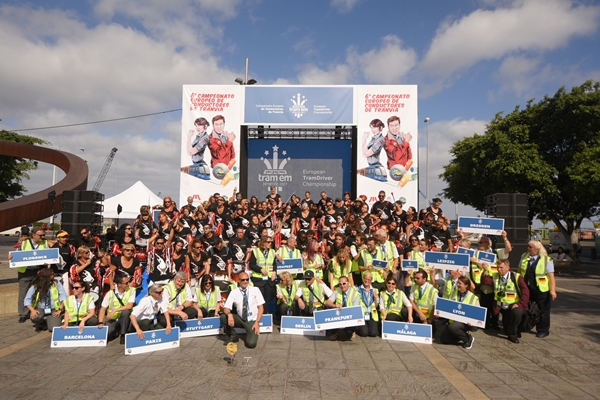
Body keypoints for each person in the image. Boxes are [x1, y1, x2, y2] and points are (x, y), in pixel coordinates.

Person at [11, 227, 55, 323]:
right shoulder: (24, 243)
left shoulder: (45, 243)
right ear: (33, 235)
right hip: (25, 271)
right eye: (40, 235)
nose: (42, 237)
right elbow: (16, 255)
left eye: (44, 235)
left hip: (38, 271)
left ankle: (36, 311)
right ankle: (23, 313)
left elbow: (50, 253)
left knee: (37, 292)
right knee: (23, 293)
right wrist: (12, 257)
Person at [481, 258, 529, 343]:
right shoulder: (495, 276)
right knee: (506, 330)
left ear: (508, 267)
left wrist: (520, 304)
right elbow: (485, 281)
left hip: (513, 305)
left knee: (517, 313)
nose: (499, 269)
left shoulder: (516, 277)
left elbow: (526, 292)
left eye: (501, 267)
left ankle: (513, 335)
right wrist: (485, 270)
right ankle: (510, 329)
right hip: (501, 306)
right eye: (498, 267)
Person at [519, 240, 556, 338]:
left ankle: (543, 330)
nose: (528, 248)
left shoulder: (546, 260)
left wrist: (552, 290)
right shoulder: (524, 257)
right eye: (528, 246)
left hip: (541, 289)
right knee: (526, 308)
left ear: (537, 249)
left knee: (543, 310)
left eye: (530, 247)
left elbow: (551, 276)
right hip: (527, 288)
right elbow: (519, 271)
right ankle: (526, 326)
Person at [220, 272, 264, 348]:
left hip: (251, 320)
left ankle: (249, 334)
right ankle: (233, 337)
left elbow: (261, 308)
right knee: (224, 317)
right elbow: (226, 308)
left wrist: (257, 322)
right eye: (243, 280)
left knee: (251, 344)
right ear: (239, 281)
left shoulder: (255, 290)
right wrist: (229, 315)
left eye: (247, 279)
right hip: (240, 318)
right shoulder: (234, 292)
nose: (245, 282)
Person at [440, 275, 479, 349]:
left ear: (466, 285)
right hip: (454, 320)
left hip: (466, 322)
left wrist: (473, 322)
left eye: (459, 283)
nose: (457, 285)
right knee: (444, 339)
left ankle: (468, 339)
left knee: (453, 327)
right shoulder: (453, 293)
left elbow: (478, 313)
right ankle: (459, 335)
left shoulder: (473, 298)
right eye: (457, 283)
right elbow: (448, 306)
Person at [24, 268, 67, 333]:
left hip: (54, 308)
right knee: (34, 317)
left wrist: (60, 310)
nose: (54, 275)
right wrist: (32, 310)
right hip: (40, 308)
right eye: (52, 274)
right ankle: (42, 323)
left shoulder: (56, 283)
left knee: (53, 328)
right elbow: (27, 299)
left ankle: (51, 321)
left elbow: (63, 296)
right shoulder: (36, 285)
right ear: (46, 276)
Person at [98, 274, 135, 344]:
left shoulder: (131, 291)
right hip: (113, 319)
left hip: (125, 318)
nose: (128, 284)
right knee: (108, 333)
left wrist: (115, 310)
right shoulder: (110, 293)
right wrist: (101, 322)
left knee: (125, 312)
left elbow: (130, 306)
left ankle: (123, 335)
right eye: (126, 283)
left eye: (129, 282)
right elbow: (102, 309)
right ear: (119, 284)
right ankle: (116, 331)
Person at [328, 276, 360, 341]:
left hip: (350, 316)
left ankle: (352, 331)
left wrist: (344, 322)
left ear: (348, 283)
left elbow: (355, 311)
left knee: (349, 333)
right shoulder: (337, 290)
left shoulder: (355, 293)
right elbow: (327, 302)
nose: (342, 286)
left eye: (344, 283)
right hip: (339, 315)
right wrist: (335, 305)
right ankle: (335, 332)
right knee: (329, 309)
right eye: (340, 284)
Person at [249, 238, 277, 310]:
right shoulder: (255, 251)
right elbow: (251, 265)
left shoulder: (273, 251)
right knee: (259, 300)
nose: (270, 243)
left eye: (271, 242)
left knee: (267, 300)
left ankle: (265, 316)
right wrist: (260, 269)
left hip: (269, 280)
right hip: (259, 280)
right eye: (268, 242)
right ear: (263, 242)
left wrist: (274, 272)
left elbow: (274, 264)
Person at [356, 272, 380, 337]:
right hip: (362, 314)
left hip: (372, 313)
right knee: (364, 333)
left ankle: (369, 326)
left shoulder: (375, 290)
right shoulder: (357, 290)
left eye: (369, 279)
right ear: (363, 279)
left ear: (371, 280)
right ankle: (358, 328)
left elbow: (376, 305)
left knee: (374, 333)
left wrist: (376, 299)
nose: (367, 281)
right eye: (365, 279)